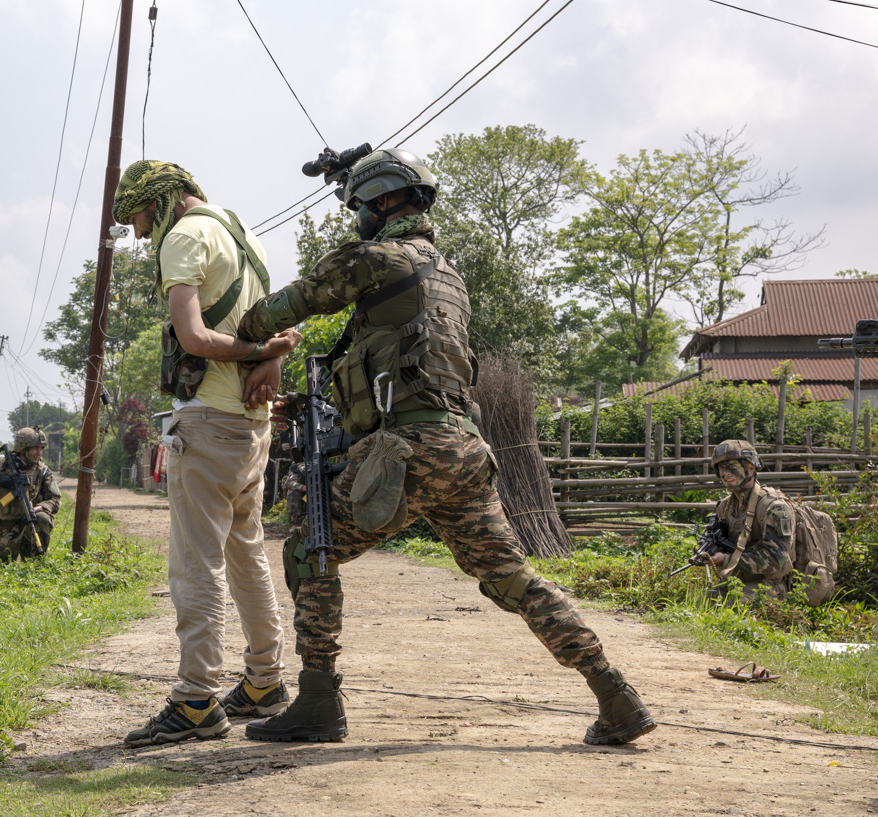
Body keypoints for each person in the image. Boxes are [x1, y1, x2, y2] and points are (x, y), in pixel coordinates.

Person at [237, 148, 656, 746]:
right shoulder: (448, 278)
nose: (356, 216)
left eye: (359, 205)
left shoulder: (378, 257)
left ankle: (318, 702)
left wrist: (224, 334)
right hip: (462, 452)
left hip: (407, 452)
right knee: (513, 578)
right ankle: (615, 694)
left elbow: (289, 305)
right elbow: (402, 371)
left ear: (381, 204)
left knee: (309, 547)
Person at [109, 159, 302, 747]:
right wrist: (268, 356)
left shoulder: (185, 237)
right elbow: (276, 332)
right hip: (253, 423)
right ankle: (266, 682)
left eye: (141, 217)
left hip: (210, 421)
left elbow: (193, 338)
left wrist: (262, 353)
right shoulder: (244, 235)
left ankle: (196, 699)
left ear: (164, 199)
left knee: (197, 562)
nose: (142, 234)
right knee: (247, 553)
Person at [707, 439, 796, 600]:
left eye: (732, 466)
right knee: (703, 601)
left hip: (771, 586)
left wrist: (726, 559)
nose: (725, 473)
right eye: (721, 467)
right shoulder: (725, 507)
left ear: (751, 467)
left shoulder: (774, 507)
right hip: (737, 582)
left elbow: (776, 560)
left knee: (730, 605)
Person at [0, 426, 61, 566]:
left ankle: (34, 559)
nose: (39, 453)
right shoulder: (1, 464)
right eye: (35, 449)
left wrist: (36, 509)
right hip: (7, 526)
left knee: (43, 519)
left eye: (41, 448)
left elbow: (55, 500)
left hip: (30, 523)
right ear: (23, 448)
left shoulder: (43, 471)